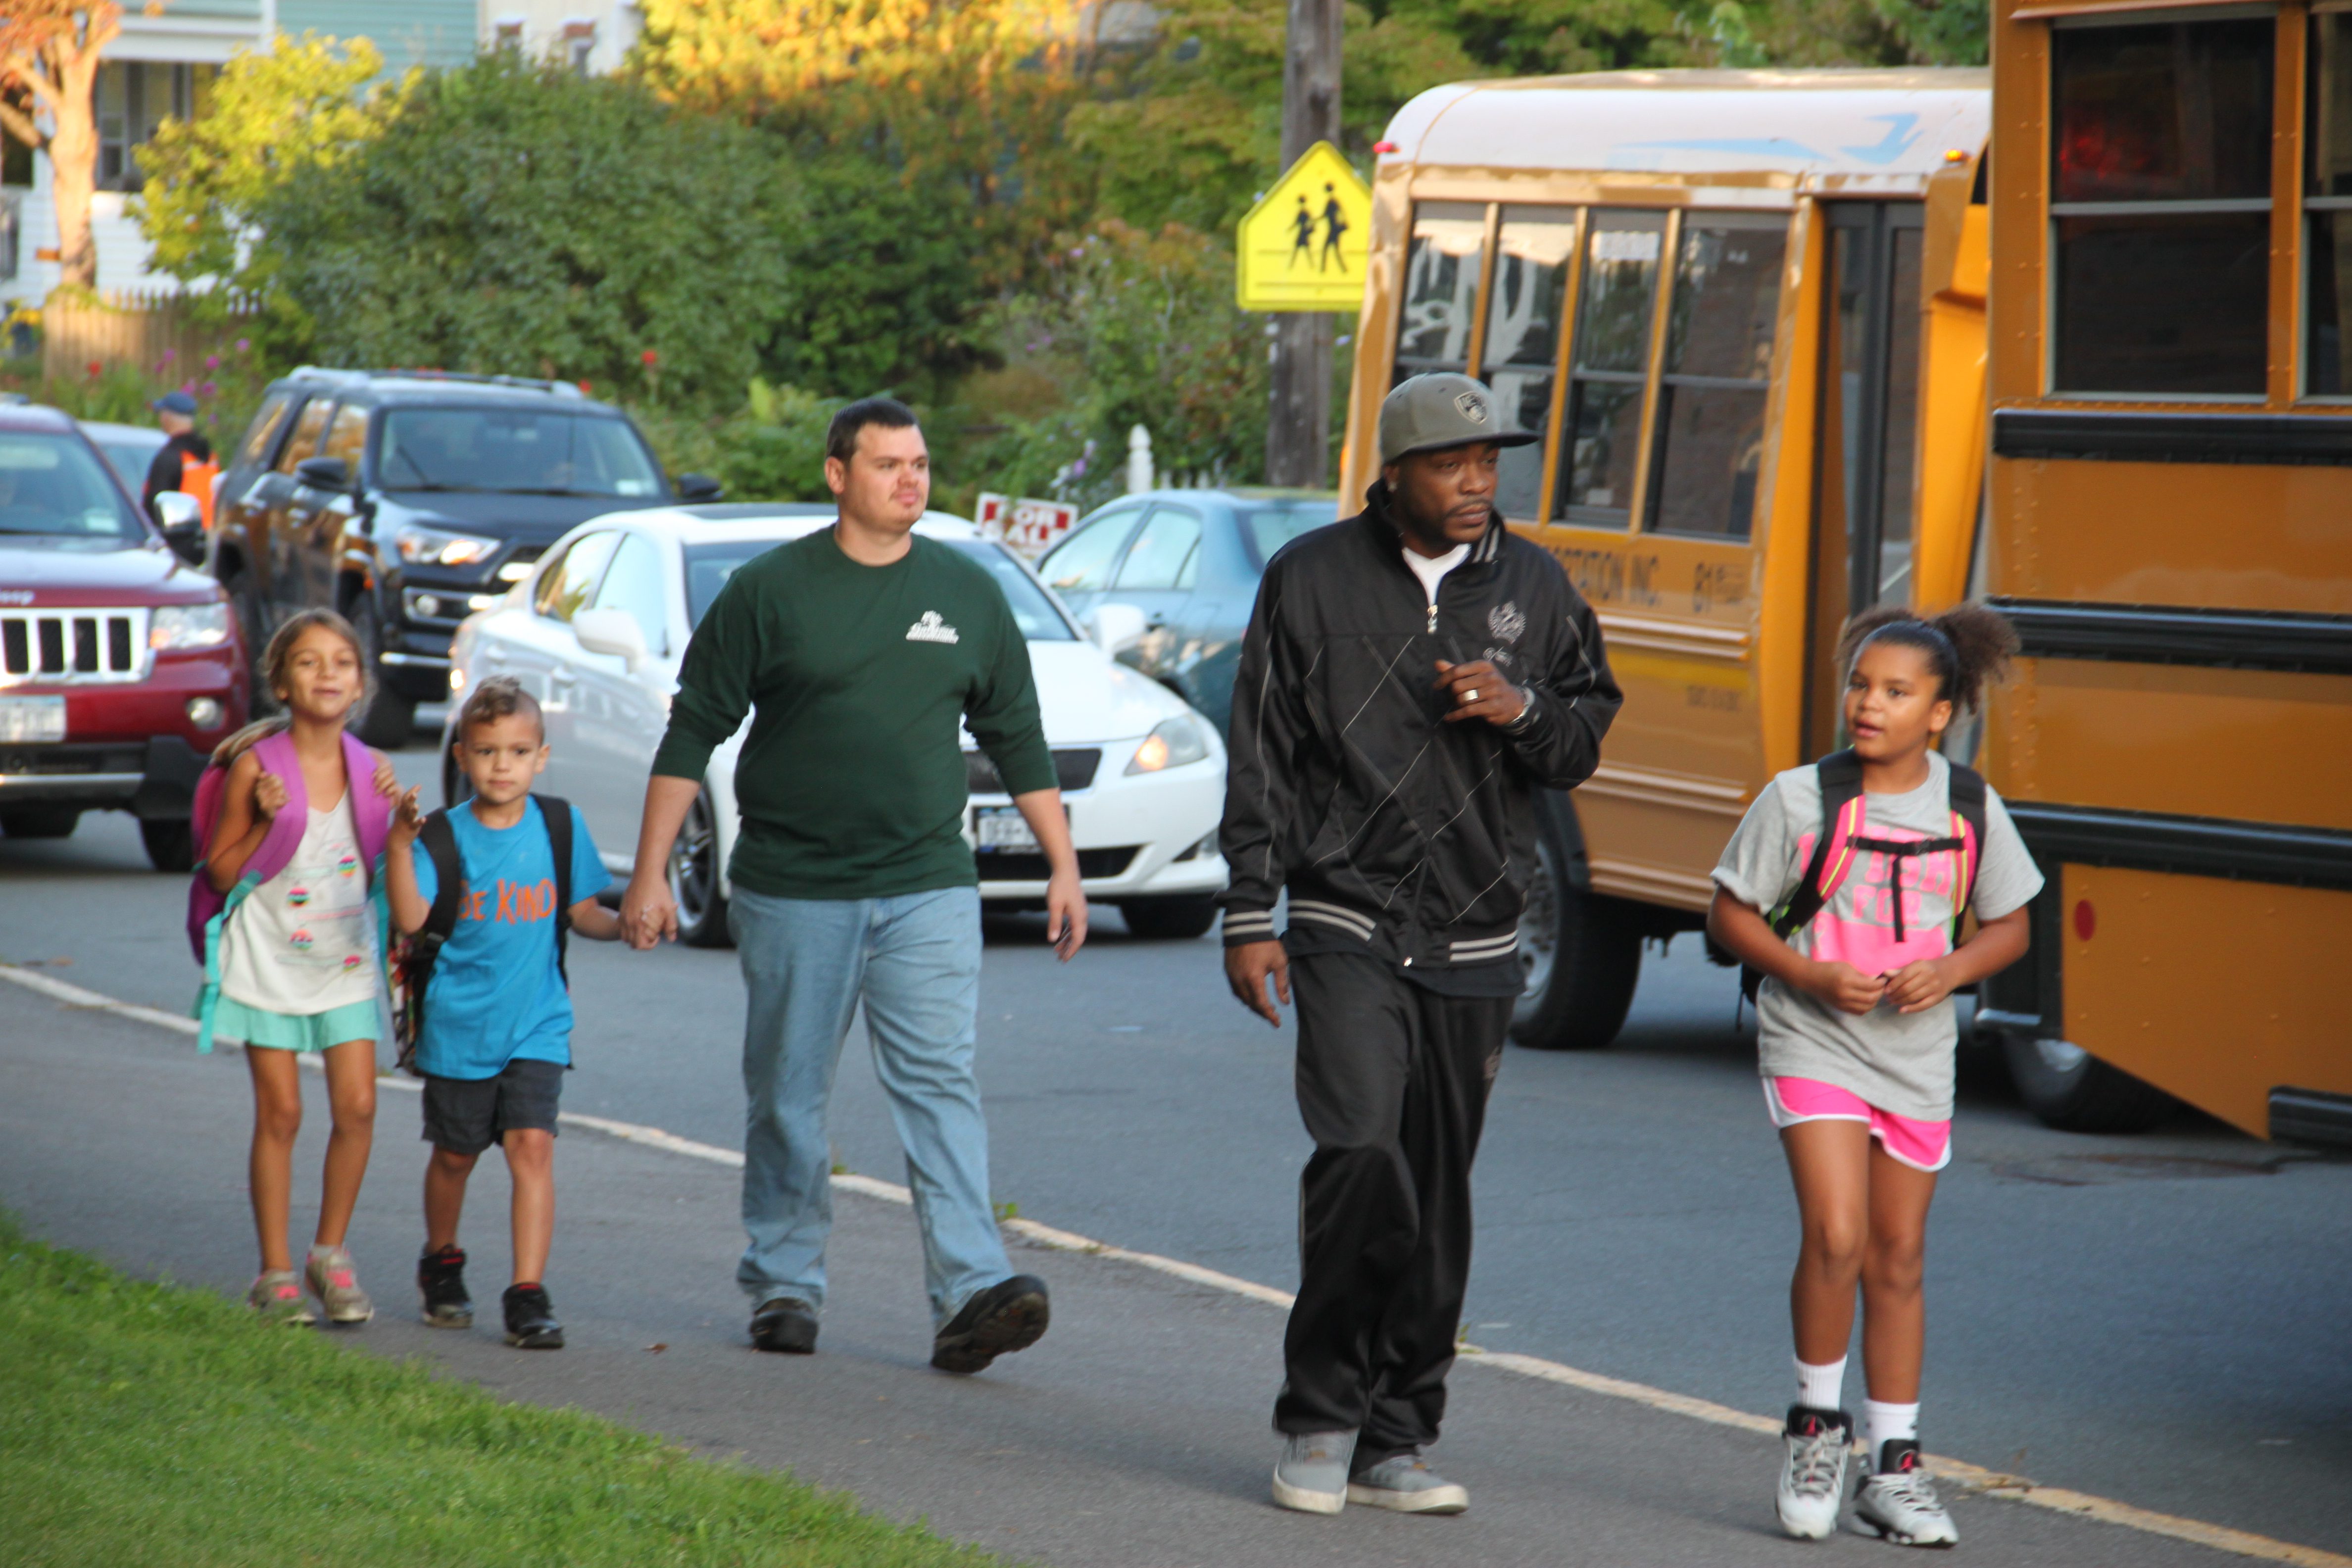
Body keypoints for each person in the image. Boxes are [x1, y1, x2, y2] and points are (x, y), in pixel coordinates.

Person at [1221, 371, 1621, 1517]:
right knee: (1360, 1154)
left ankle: (1394, 1437)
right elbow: (1260, 750)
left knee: (1437, 1197)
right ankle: (1318, 1415)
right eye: (1451, 464)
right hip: (1344, 915)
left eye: (1487, 461)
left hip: (1479, 930)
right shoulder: (1308, 577)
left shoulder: (1535, 584)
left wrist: (1520, 707)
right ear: (1394, 473)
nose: (1475, 481)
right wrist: (1249, 911)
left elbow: (1581, 737)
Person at [620, 395, 1086, 1374]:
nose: (910, 480)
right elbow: (692, 730)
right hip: (794, 886)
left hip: (927, 882)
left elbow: (1016, 735)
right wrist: (651, 873)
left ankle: (969, 1292)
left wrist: (1063, 866)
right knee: (788, 1095)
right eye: (888, 465)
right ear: (838, 475)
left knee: (940, 1082)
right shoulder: (770, 591)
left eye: (919, 464)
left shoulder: (965, 592)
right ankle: (785, 1282)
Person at [1707, 605, 2039, 1548]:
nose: (1868, 703)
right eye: (1859, 684)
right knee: (1838, 1233)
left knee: (1897, 1254)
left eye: (1895, 691)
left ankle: (1893, 1468)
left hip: (1915, 1054)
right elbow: (1729, 913)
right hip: (1811, 1037)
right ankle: (1815, 1432)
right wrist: (1808, 973)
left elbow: (2011, 925)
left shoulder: (1968, 806)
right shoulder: (1799, 797)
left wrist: (1953, 969)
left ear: (1939, 713)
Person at [383, 676, 622, 1350]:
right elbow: (411, 919)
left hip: (538, 1023)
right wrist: (399, 846)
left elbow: (583, 912)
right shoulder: (441, 837)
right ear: (462, 756)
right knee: (456, 1156)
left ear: (541, 757)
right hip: (458, 1027)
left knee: (532, 1146)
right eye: (487, 752)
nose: (502, 766)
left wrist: (625, 926)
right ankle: (442, 1261)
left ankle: (527, 1292)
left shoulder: (560, 825)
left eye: (518, 752)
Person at [195, 610, 402, 1326]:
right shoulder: (257, 766)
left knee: (360, 1106)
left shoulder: (373, 770)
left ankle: (330, 1255)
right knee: (281, 1113)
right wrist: (260, 819)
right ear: (282, 683)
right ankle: (275, 1272)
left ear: (360, 684)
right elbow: (220, 873)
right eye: (309, 662)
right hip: (268, 958)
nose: (327, 674)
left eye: (342, 662)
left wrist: (405, 829)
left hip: (344, 961)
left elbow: (386, 869)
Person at [143, 389, 215, 527]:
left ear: (167, 418)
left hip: (178, 536)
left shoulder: (169, 458)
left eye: (162, 414)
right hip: (207, 534)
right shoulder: (210, 457)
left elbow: (153, 509)